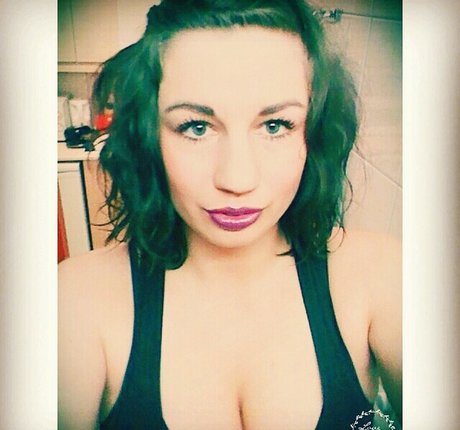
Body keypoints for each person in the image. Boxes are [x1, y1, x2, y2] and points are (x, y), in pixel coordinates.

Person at [58, 1, 402, 429]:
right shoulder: (76, 301)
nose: (237, 179)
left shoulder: (383, 276)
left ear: (312, 133)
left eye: (275, 125)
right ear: (149, 137)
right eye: (196, 127)